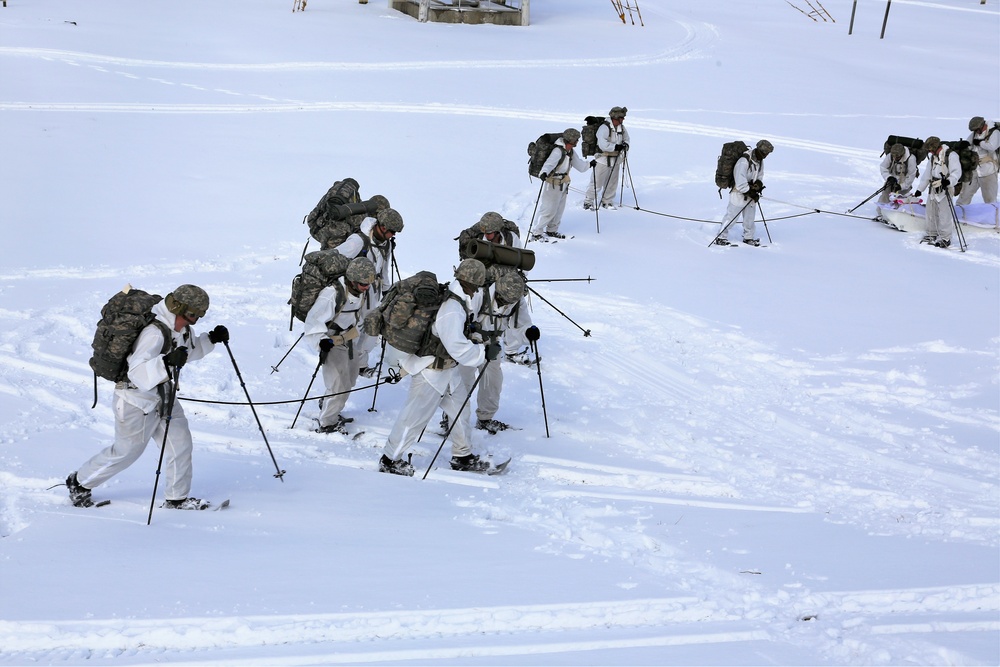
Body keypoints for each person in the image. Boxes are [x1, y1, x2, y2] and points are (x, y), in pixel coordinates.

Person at [65, 285, 226, 509]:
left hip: (164, 395)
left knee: (180, 444)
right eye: (191, 315)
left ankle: (176, 499)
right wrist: (167, 362)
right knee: (126, 452)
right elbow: (137, 373)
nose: (193, 321)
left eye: (199, 316)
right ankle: (80, 483)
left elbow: (185, 352)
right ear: (176, 307)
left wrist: (211, 340)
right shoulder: (154, 333)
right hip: (135, 400)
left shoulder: (180, 328)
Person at [379, 259, 497, 476]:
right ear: (473, 283)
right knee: (414, 418)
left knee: (460, 409)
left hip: (447, 370)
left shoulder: (458, 301)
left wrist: (478, 337)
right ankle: (390, 459)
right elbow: (457, 347)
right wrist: (483, 353)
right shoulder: (452, 308)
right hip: (431, 371)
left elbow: (456, 337)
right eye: (479, 284)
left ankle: (462, 456)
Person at [458, 270, 537, 434]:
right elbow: (463, 317)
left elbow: (521, 324)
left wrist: (529, 332)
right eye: (503, 298)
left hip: (493, 343)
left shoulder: (517, 300)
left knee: (493, 382)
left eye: (510, 300)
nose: (505, 303)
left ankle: (485, 419)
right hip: (470, 341)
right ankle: (452, 418)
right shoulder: (480, 293)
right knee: (462, 381)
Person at [305, 256, 378, 434]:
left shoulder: (360, 291)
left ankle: (328, 403)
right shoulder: (332, 294)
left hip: (350, 339)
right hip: (332, 341)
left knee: (350, 379)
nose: (366, 288)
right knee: (339, 385)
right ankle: (327, 423)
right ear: (352, 280)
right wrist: (321, 340)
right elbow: (313, 320)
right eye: (363, 284)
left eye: (368, 284)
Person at [335, 207, 403, 375]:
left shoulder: (386, 244)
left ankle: (361, 366)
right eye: (392, 231)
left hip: (374, 293)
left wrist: (388, 292)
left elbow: (384, 270)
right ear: (383, 227)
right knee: (353, 330)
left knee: (371, 329)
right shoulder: (358, 241)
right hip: (355, 293)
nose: (393, 235)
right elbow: (336, 259)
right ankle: (342, 368)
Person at [531, 128, 590, 241]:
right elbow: (549, 164)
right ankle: (536, 232)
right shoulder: (558, 151)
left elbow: (580, 166)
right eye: (576, 139)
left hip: (563, 184)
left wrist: (589, 164)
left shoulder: (570, 151)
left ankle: (552, 230)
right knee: (548, 209)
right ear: (571, 140)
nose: (578, 141)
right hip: (552, 184)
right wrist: (544, 173)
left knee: (559, 209)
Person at [717, 139, 773, 247]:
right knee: (731, 217)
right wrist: (750, 192)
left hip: (750, 193)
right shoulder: (743, 161)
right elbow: (740, 181)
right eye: (765, 153)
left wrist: (758, 186)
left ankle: (748, 238)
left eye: (767, 154)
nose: (766, 156)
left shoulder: (760, 161)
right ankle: (720, 237)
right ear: (759, 150)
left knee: (749, 218)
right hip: (738, 193)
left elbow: (760, 176)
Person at [913, 136, 962, 248]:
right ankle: (932, 234)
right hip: (933, 187)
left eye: (930, 150)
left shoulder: (951, 156)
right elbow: (927, 174)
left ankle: (945, 238)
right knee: (931, 211)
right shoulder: (933, 158)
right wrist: (920, 189)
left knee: (944, 213)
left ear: (935, 147)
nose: (929, 152)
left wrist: (949, 181)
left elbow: (957, 173)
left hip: (945, 187)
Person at [584, 106, 631, 211]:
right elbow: (602, 144)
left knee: (612, 183)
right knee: (597, 182)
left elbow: (627, 138)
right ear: (615, 117)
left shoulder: (621, 128)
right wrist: (615, 147)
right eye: (621, 117)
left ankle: (607, 201)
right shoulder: (604, 128)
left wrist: (625, 145)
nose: (623, 119)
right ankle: (588, 202)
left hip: (616, 160)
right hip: (602, 159)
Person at [956, 116, 999, 206]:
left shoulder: (994, 132)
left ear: (982, 125)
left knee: (990, 200)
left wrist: (980, 143)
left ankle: (992, 219)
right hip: (974, 170)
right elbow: (969, 144)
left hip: (988, 171)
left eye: (977, 129)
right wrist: (964, 145)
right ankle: (961, 215)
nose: (976, 131)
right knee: (964, 196)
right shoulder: (975, 134)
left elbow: (992, 147)